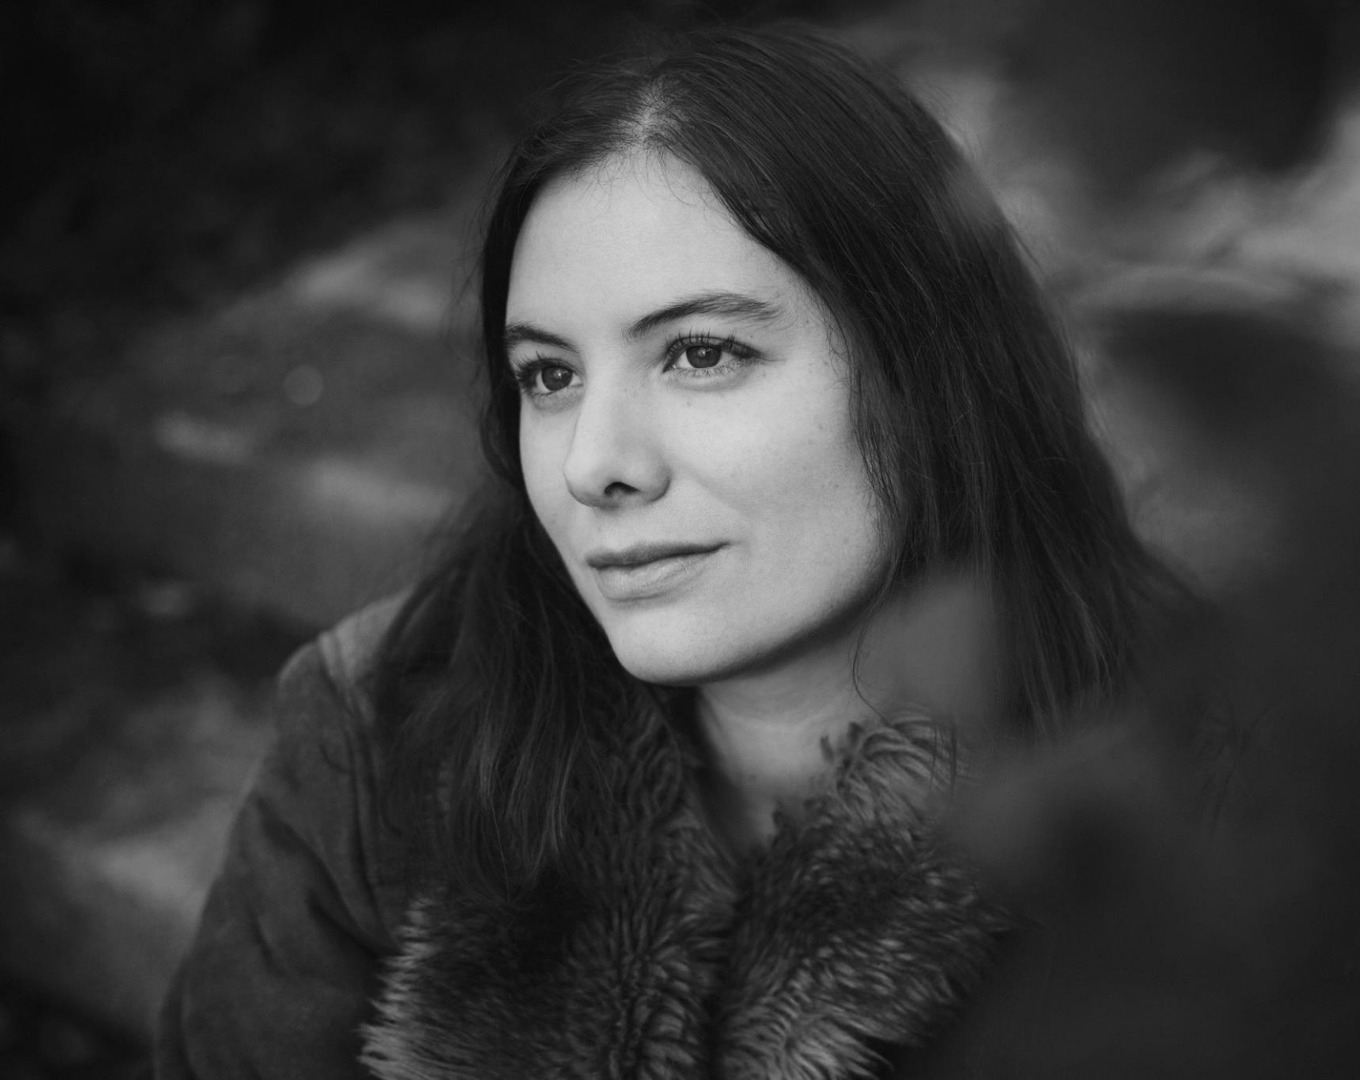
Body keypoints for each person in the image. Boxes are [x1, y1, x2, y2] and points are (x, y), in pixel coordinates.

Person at [155, 21, 1159, 1080]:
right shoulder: (383, 725)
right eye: (549, 376)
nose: (595, 464)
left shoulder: (1197, 780)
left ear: (926, 368)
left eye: (701, 352)